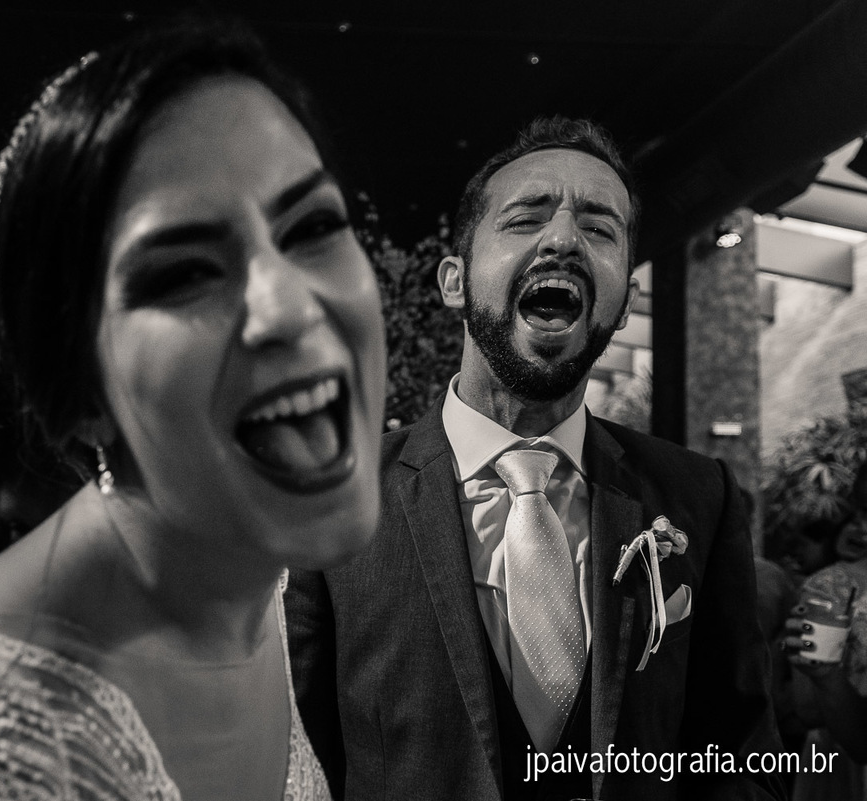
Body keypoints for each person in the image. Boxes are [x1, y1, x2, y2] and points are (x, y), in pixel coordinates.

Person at [0, 18, 385, 801]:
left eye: (313, 226)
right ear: (77, 392)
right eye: (183, 273)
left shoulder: (249, 563)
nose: (290, 305)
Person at [286, 116, 784, 801]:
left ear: (625, 299)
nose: (563, 240)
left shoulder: (696, 496)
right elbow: (290, 762)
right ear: (455, 281)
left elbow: (741, 757)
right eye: (525, 220)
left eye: (600, 229)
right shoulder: (337, 494)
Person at [784, 466, 867, 800]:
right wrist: (826, 675)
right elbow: (807, 708)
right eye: (860, 512)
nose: (861, 526)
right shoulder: (829, 587)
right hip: (840, 759)